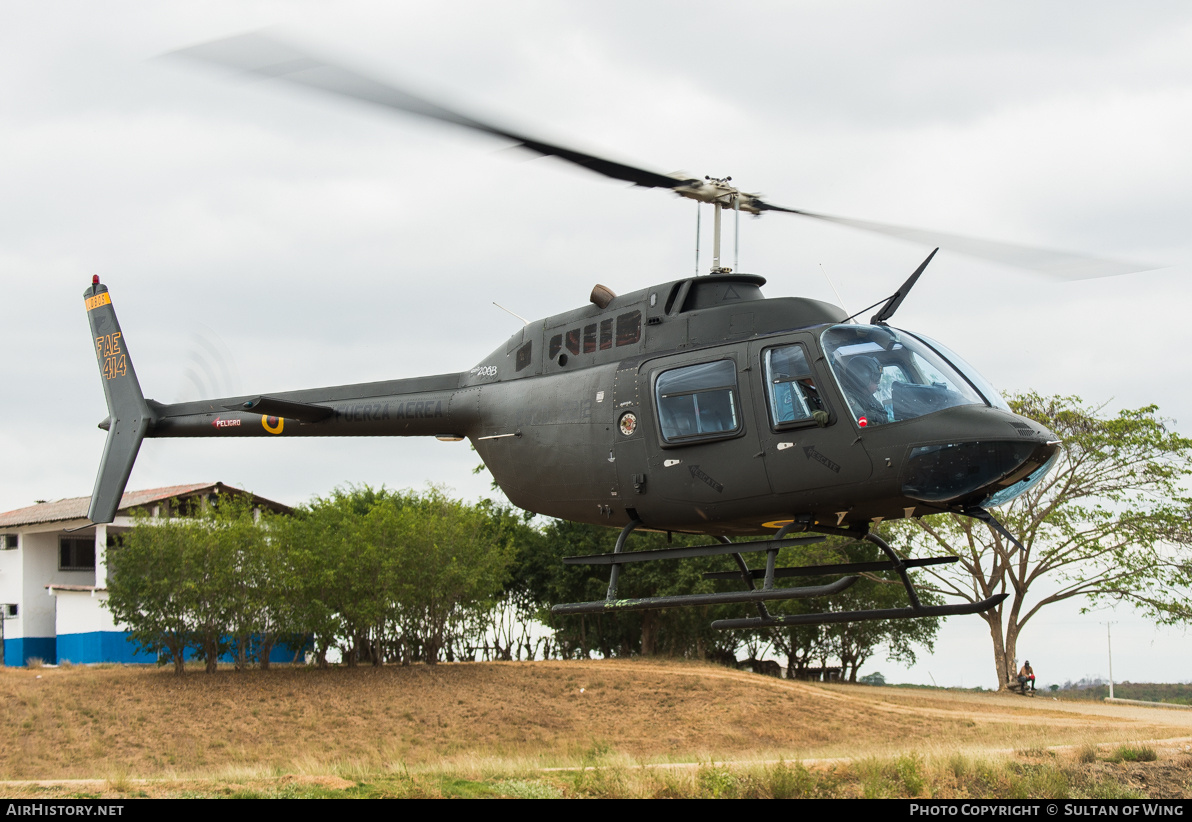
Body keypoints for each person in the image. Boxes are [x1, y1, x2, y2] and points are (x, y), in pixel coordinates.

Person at [842, 355, 887, 425]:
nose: (878, 382)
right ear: (862, 378)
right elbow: (864, 425)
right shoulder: (848, 399)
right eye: (876, 377)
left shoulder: (868, 397)